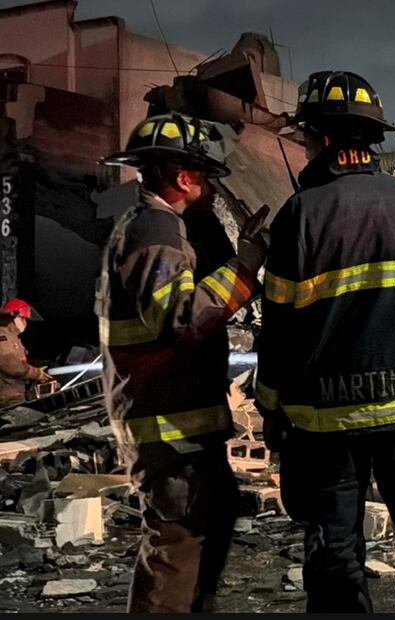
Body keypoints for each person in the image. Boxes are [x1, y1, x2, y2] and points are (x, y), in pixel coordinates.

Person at [255, 70, 395, 613]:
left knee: (336, 559)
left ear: (321, 139)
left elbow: (277, 328)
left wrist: (271, 408)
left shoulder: (299, 214)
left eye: (303, 139)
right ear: (370, 140)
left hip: (325, 426)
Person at [98, 113, 269, 612]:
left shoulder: (165, 227)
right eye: (208, 177)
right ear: (184, 177)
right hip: (166, 427)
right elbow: (179, 319)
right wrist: (243, 268)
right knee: (177, 546)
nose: (215, 190)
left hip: (176, 422)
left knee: (205, 529)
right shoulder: (154, 228)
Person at [0, 299, 52, 406]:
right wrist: (36, 373)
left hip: (14, 394)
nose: (25, 323)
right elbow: (12, 366)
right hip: (7, 397)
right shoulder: (3, 337)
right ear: (13, 317)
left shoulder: (12, 338)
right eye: (22, 319)